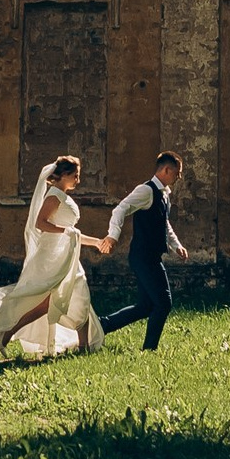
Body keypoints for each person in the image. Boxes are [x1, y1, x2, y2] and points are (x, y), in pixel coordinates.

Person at [0, 155, 107, 358]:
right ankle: (8, 332)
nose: (78, 179)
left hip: (68, 255)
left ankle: (84, 346)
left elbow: (71, 231)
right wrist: (65, 232)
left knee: (79, 295)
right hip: (54, 257)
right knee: (45, 303)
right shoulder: (53, 197)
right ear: (64, 175)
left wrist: (95, 242)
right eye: (75, 175)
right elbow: (40, 224)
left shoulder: (64, 196)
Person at [96, 150, 187, 351]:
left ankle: (102, 325)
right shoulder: (146, 191)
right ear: (166, 169)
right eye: (177, 173)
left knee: (145, 306)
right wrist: (112, 235)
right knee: (164, 303)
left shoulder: (164, 194)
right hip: (143, 256)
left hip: (151, 256)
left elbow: (164, 223)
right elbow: (120, 208)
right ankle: (149, 350)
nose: (179, 177)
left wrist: (176, 245)